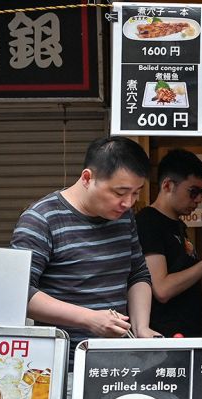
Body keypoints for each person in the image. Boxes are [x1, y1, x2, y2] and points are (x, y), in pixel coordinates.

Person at [10, 136, 157, 348]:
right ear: (87, 178)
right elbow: (20, 293)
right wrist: (89, 319)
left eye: (136, 193)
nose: (128, 203)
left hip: (117, 358)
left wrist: (141, 327)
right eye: (120, 192)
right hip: (62, 362)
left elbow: (138, 273)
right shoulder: (41, 219)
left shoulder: (124, 216)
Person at [136, 149, 202, 336]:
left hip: (186, 334)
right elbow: (162, 289)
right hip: (164, 337)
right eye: (193, 192)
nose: (198, 200)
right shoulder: (148, 222)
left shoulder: (178, 224)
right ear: (168, 185)